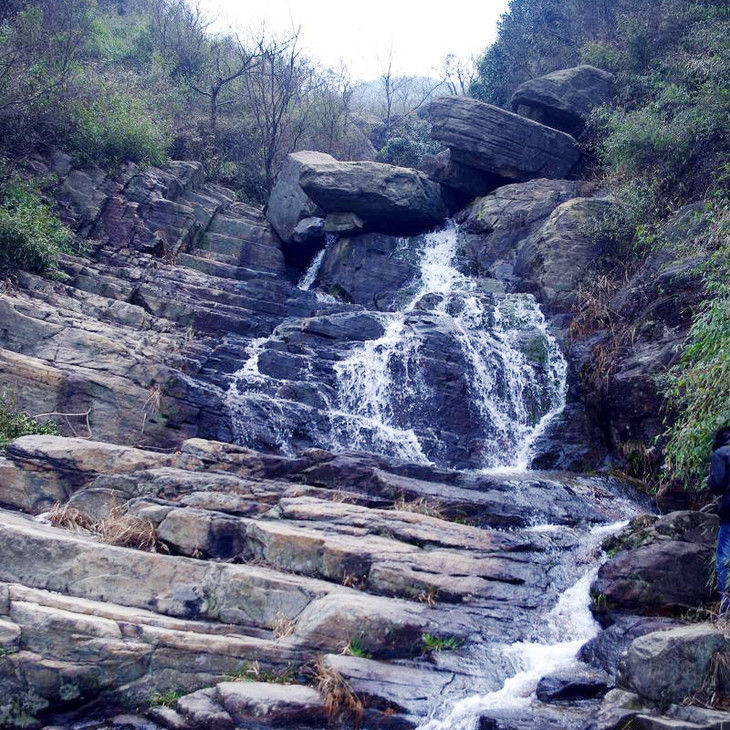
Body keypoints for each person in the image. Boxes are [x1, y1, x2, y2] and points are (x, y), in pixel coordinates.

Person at [707, 425, 730, 616]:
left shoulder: (722, 453)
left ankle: (726, 609)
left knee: (724, 560)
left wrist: (709, 481)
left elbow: (717, 484)